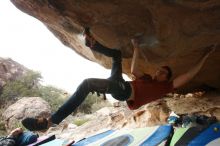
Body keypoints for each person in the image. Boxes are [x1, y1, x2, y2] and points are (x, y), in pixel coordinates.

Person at [22, 27, 216, 131]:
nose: (159, 72)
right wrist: (137, 47)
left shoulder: (167, 87)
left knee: (87, 83)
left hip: (123, 91)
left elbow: (190, 74)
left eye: (163, 72)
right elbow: (132, 68)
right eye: (159, 69)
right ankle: (92, 44)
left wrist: (206, 57)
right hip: (120, 85)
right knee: (116, 55)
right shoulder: (148, 78)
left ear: (167, 77)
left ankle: (52, 120)